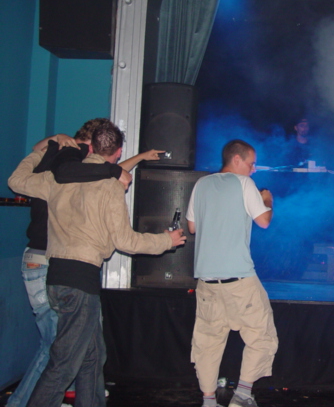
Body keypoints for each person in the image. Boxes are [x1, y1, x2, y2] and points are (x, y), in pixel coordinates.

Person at [8, 123, 185, 407]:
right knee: (63, 364)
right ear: (118, 152)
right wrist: (167, 240)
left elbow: (16, 181)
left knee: (92, 356)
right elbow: (126, 241)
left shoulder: (58, 177)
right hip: (80, 282)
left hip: (57, 278)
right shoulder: (109, 185)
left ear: (89, 148)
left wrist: (46, 150)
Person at [6, 118, 134, 407]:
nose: (90, 155)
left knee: (87, 350)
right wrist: (52, 143)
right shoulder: (64, 170)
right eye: (86, 149)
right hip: (47, 259)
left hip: (60, 262)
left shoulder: (78, 169)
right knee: (59, 350)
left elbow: (110, 169)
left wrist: (122, 166)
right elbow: (23, 177)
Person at [186, 139, 277, 407]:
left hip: (207, 282)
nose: (253, 169)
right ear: (236, 159)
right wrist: (267, 199)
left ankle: (209, 401)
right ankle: (243, 395)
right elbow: (264, 221)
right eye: (251, 163)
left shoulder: (201, 184)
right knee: (262, 335)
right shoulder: (245, 184)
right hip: (239, 280)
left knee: (207, 344)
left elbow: (192, 227)